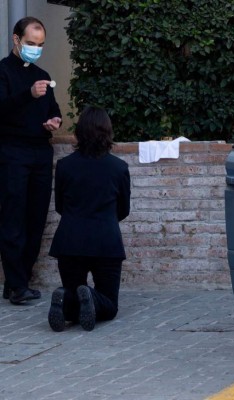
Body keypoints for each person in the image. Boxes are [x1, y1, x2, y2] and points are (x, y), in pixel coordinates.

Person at [47, 106, 131, 332]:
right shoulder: (119, 168)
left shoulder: (65, 166)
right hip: (106, 242)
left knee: (74, 292)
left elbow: (60, 206)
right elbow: (124, 209)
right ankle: (90, 296)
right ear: (108, 132)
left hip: (70, 241)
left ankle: (66, 302)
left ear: (79, 132)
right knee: (109, 305)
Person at [0, 17, 62, 305]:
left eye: (40, 45)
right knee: (13, 217)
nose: (35, 49)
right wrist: (27, 95)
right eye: (30, 44)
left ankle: (19, 281)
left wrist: (54, 120)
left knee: (36, 218)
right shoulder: (2, 72)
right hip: (12, 151)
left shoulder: (43, 74)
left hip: (40, 152)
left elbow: (54, 108)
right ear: (16, 40)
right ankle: (16, 284)